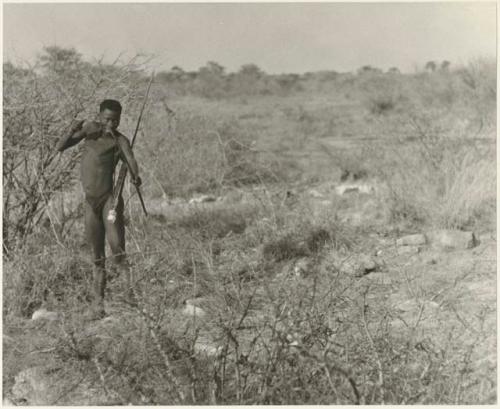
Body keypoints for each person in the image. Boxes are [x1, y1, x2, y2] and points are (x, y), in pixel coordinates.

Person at [56, 99, 142, 319]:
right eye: (107, 119)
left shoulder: (121, 140)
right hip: (89, 202)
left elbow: (131, 159)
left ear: (120, 119)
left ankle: (132, 303)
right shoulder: (89, 131)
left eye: (115, 120)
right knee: (97, 257)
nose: (111, 124)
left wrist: (135, 175)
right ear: (99, 116)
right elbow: (60, 146)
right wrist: (72, 128)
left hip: (109, 202)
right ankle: (97, 306)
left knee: (118, 252)